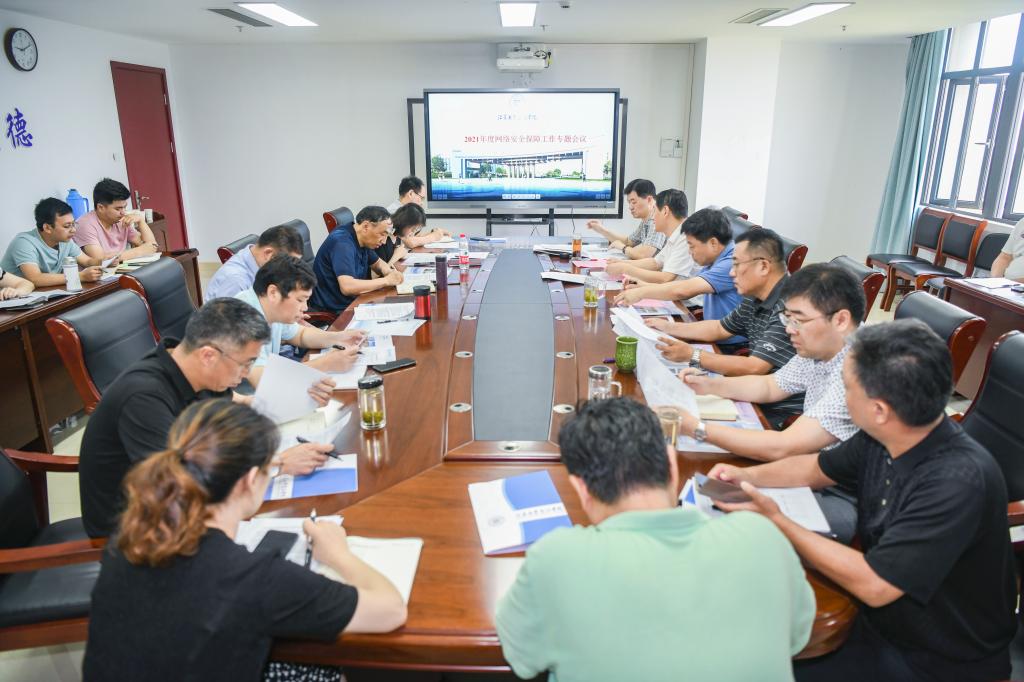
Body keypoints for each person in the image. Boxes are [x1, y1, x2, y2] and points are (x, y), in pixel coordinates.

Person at [708, 320, 1017, 682]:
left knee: (752, 665)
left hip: (936, 658)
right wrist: (746, 476)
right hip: (877, 618)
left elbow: (877, 584)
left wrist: (777, 519)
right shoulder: (885, 433)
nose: (842, 395)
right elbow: (815, 469)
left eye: (847, 387)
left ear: (880, 409)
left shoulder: (956, 481)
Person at [83, 399, 407, 681]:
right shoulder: (254, 578)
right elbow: (391, 611)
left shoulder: (130, 538)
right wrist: (339, 554)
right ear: (251, 479)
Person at [495, 397, 815, 682]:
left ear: (581, 489)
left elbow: (523, 657)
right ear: (672, 465)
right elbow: (797, 636)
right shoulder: (762, 537)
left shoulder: (556, 559)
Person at [79, 298, 336, 538]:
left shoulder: (200, 372)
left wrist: (301, 394)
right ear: (208, 355)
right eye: (245, 364)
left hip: (187, 502)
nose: (246, 373)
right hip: (139, 528)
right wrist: (277, 465)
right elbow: (178, 484)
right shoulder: (143, 398)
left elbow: (241, 418)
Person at [675, 263, 865, 542]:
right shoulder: (823, 346)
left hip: (847, 495)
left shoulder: (859, 370)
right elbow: (770, 386)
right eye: (787, 318)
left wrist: (695, 428)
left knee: (724, 526)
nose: (789, 330)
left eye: (798, 320)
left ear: (840, 320)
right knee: (714, 497)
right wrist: (710, 385)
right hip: (812, 467)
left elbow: (784, 446)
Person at [647, 228, 804, 428]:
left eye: (737, 264)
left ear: (763, 266)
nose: (731, 272)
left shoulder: (789, 307)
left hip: (777, 412)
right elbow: (720, 328)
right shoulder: (755, 296)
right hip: (751, 390)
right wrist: (667, 327)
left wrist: (693, 355)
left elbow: (755, 367)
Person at [615, 207, 744, 346]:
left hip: (729, 347)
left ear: (713, 243)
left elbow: (683, 290)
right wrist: (643, 286)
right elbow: (686, 287)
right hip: (712, 334)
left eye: (692, 246)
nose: (689, 252)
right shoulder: (716, 258)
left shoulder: (731, 263)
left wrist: (641, 292)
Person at [237, 254, 366, 385]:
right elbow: (262, 379)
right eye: (300, 300)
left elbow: (300, 335)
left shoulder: (272, 308)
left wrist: (340, 338)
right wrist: (326, 363)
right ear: (273, 293)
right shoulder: (243, 317)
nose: (305, 307)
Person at [309, 205, 404, 314]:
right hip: (337, 309)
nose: (384, 241)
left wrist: (389, 272)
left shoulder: (361, 238)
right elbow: (347, 287)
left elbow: (378, 263)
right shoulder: (342, 243)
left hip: (356, 300)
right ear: (366, 226)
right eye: (382, 234)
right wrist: (386, 281)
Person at [1, 198, 106, 287]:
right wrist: (80, 276)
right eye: (67, 226)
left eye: (73, 224)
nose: (73, 230)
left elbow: (87, 261)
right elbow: (35, 279)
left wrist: (106, 261)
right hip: (12, 298)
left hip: (44, 293)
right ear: (47, 228)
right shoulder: (24, 243)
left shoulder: (65, 240)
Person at [605, 189, 698, 284]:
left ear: (665, 211)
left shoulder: (686, 237)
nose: (653, 217)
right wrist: (621, 263)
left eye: (655, 211)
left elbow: (666, 278)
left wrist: (625, 269)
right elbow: (655, 263)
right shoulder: (676, 235)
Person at [205, 224, 304, 302]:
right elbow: (232, 322)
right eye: (289, 264)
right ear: (269, 254)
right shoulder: (236, 281)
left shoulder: (259, 262)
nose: (291, 270)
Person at [74, 178, 159, 262]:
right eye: (118, 209)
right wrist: (140, 251)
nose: (123, 212)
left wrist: (141, 221)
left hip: (121, 268)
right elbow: (101, 260)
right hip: (102, 271)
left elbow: (151, 247)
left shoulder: (120, 220)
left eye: (124, 207)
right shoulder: (85, 225)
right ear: (100, 207)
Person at [586, 178, 665, 259]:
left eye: (634, 202)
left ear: (649, 200)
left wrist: (622, 247)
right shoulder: (646, 219)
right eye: (629, 202)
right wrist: (602, 230)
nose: (630, 207)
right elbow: (629, 242)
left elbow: (644, 255)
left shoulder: (656, 219)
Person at [385, 175, 450, 247]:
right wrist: (434, 237)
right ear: (411, 193)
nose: (422, 203)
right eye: (421, 198)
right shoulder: (393, 212)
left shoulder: (406, 211)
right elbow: (410, 242)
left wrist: (434, 233)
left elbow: (414, 236)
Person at [374, 203, 427, 269]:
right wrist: (396, 256)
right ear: (405, 223)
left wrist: (400, 253)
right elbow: (379, 272)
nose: (412, 234)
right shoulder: (382, 240)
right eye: (413, 229)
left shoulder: (397, 236)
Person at [991, 216, 1024, 282]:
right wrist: (995, 281)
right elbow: (1005, 257)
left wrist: (1013, 284)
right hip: (1007, 284)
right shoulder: (1022, 222)